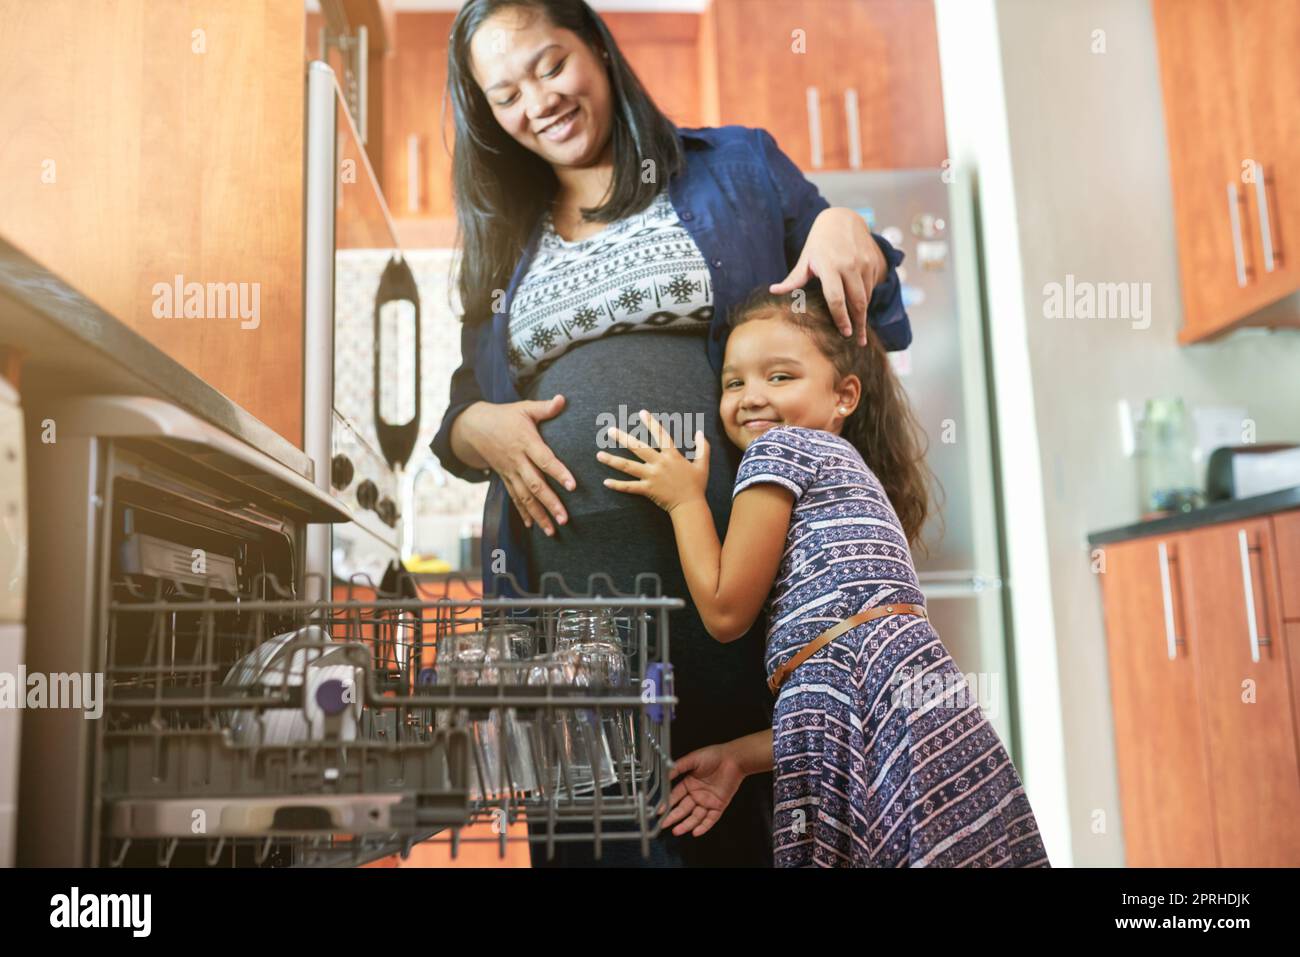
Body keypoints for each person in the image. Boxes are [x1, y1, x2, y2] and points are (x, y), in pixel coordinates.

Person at [432, 0, 911, 867]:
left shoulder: (734, 167)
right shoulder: (501, 243)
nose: (536, 102)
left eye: (549, 65)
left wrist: (851, 230)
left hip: (736, 606)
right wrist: (476, 425)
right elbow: (460, 409)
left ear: (600, 52)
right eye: (505, 94)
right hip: (571, 649)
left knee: (750, 840)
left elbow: (865, 302)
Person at [598, 282, 1051, 867]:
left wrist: (684, 500)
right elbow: (841, 698)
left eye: (779, 377)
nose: (751, 397)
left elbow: (726, 610)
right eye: (734, 382)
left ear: (844, 395)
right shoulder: (848, 469)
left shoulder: (779, 451)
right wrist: (737, 757)